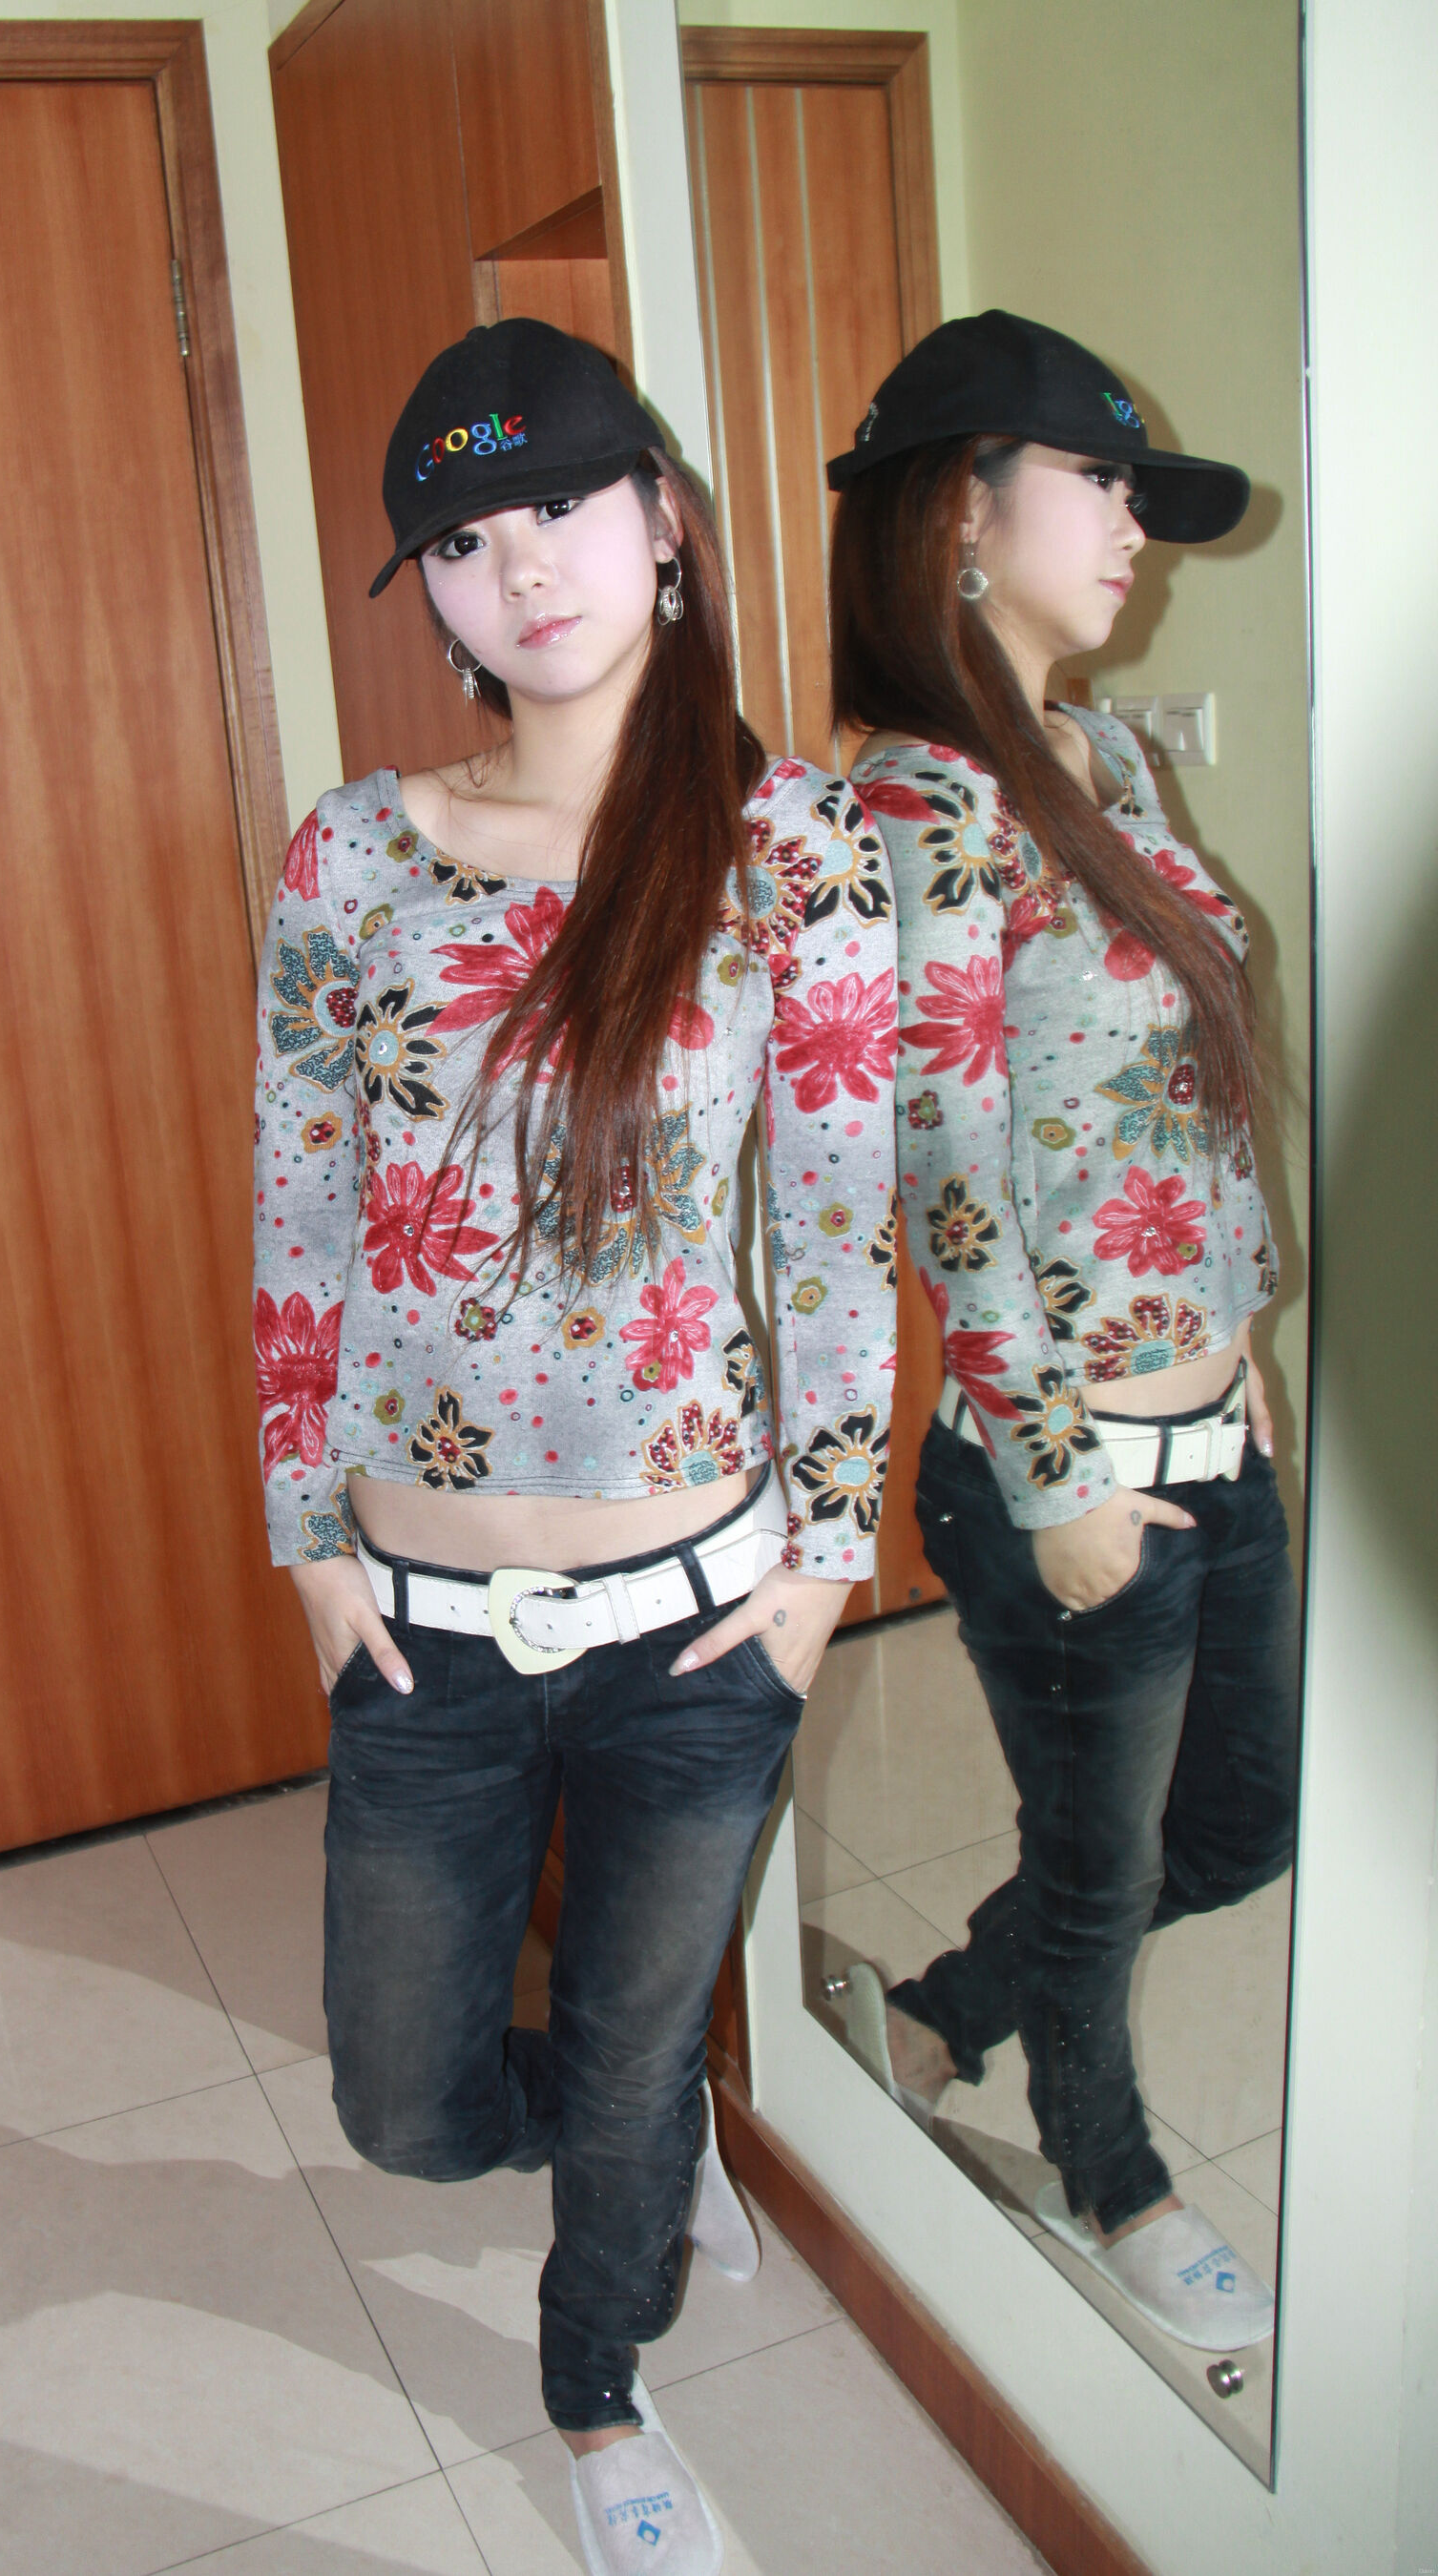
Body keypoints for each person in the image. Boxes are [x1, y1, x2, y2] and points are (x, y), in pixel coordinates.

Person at [254, 318, 898, 2573]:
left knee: (627, 2054)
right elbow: (302, 1207)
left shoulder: (794, 848)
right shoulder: (353, 853)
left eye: (561, 508)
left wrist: (820, 1570)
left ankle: (599, 2382)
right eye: (461, 536)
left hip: (698, 1623)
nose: (519, 567)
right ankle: (636, 2144)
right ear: (427, 588)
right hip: (419, 1622)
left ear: (665, 525)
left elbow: (837, 1232)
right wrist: (305, 1535)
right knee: (407, 2102)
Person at [824, 311, 1296, 2354]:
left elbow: (1171, 1097)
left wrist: (1236, 1334)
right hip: (1068, 1467)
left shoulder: (1104, 758)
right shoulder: (919, 805)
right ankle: (1112, 2176)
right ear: (960, 509)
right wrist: (1054, 1474)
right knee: (1099, 1875)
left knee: (1241, 1823)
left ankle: (935, 2017)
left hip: (1210, 1417)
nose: (1132, 528)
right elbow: (945, 1172)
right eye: (1098, 483)